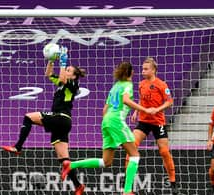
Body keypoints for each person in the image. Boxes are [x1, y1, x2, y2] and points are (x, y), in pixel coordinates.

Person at [2, 46, 87, 195]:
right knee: (64, 159)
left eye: (68, 70)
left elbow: (62, 78)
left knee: (28, 117)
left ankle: (18, 147)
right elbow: (48, 74)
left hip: (61, 117)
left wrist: (63, 62)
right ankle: (78, 186)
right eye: (66, 69)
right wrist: (51, 60)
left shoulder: (73, 85)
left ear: (73, 76)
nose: (66, 70)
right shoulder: (62, 84)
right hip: (61, 123)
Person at [61, 61, 155, 195]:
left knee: (106, 161)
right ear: (131, 73)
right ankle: (127, 191)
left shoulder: (115, 86)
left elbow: (104, 110)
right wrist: (144, 109)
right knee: (135, 155)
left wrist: (109, 123)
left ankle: (71, 165)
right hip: (116, 121)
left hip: (106, 121)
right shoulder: (128, 85)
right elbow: (126, 100)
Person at [130, 58, 181, 195]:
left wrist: (157, 109)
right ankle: (128, 185)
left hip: (158, 122)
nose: (142, 71)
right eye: (142, 68)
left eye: (145, 69)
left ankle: (173, 182)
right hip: (144, 121)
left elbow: (170, 102)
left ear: (153, 70)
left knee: (164, 152)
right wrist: (136, 111)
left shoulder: (161, 85)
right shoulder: (141, 84)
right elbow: (141, 99)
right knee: (131, 146)